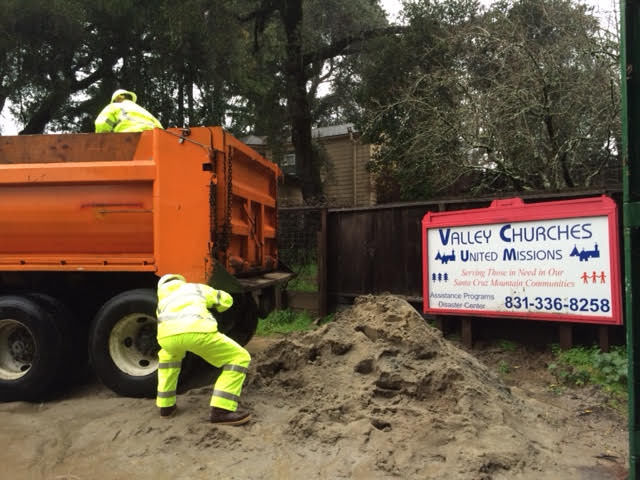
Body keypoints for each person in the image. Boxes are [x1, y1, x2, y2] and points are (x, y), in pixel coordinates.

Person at [155, 273, 252, 425]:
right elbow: (225, 300)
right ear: (182, 281)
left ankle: (166, 407)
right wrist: (219, 305)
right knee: (239, 357)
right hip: (197, 331)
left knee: (168, 363)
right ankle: (221, 411)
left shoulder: (163, 301)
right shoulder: (194, 288)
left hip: (167, 338)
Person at [95, 89, 163, 133]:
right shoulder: (143, 111)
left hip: (129, 136)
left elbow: (103, 122)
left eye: (114, 100)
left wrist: (103, 136)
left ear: (120, 96)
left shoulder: (114, 106)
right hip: (154, 137)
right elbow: (159, 126)